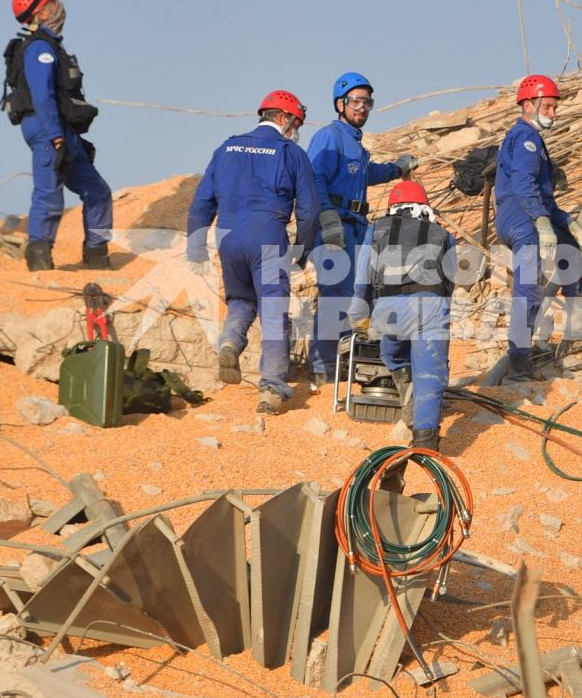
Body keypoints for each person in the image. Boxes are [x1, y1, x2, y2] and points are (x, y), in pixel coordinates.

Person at [187, 90, 322, 413]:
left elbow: (202, 201)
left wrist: (195, 248)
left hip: (229, 237)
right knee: (274, 312)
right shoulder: (291, 153)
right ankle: (272, 390)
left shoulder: (226, 147)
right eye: (296, 123)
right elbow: (310, 210)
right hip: (267, 235)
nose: (295, 131)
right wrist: (301, 251)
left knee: (241, 301)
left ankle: (230, 342)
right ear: (283, 118)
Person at [307, 72, 414, 386]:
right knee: (335, 296)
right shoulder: (330, 136)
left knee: (356, 296)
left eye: (367, 102)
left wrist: (397, 168)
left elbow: (365, 174)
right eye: (355, 101)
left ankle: (345, 365)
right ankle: (323, 369)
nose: (362, 108)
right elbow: (315, 178)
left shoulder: (355, 143)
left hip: (355, 227)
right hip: (334, 225)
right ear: (340, 104)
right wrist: (327, 220)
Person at [3, 0, 112, 271]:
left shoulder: (51, 46)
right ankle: (39, 260)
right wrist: (55, 136)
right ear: (40, 13)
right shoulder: (40, 48)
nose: (58, 7)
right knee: (49, 193)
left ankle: (97, 254)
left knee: (98, 192)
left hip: (63, 130)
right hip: (47, 128)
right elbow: (42, 94)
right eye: (51, 3)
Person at [495, 74, 582, 380]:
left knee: (572, 255)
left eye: (554, 107)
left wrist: (569, 223)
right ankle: (519, 362)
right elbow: (524, 185)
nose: (553, 113)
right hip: (518, 216)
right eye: (547, 107)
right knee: (529, 286)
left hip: (530, 212)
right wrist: (540, 222)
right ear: (528, 104)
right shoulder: (526, 138)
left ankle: (573, 332)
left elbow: (542, 197)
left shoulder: (533, 139)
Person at [352, 179, 455, 451]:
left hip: (389, 308)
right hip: (431, 306)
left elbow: (363, 274)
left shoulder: (376, 230)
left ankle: (407, 395)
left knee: (393, 354)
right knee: (430, 374)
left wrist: (358, 310)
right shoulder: (441, 234)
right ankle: (426, 441)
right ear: (424, 206)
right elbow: (451, 279)